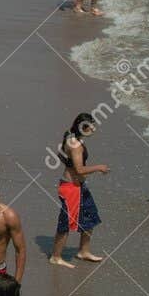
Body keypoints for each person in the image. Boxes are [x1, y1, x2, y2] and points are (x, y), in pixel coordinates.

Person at [51, 111, 109, 267]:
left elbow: (60, 154)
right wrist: (99, 167)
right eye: (91, 127)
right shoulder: (76, 146)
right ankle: (55, 257)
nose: (94, 130)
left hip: (80, 187)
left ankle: (84, 251)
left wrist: (68, 164)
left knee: (90, 216)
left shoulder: (70, 136)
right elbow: (80, 170)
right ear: (82, 127)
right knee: (65, 224)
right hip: (71, 189)